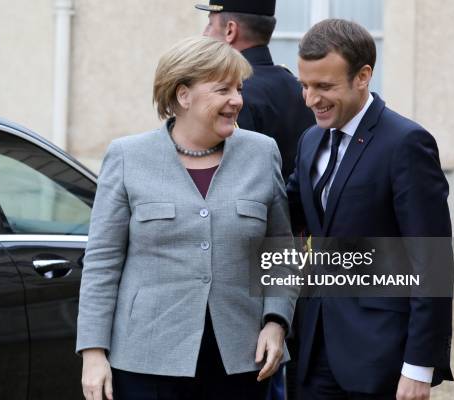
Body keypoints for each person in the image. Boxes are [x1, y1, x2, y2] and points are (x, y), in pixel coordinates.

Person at [76, 36, 296, 400]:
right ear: (183, 95)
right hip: (145, 360)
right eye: (223, 89)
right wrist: (93, 353)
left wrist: (276, 321)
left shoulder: (262, 152)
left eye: (239, 88)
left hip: (241, 360)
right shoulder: (128, 156)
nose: (237, 100)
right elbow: (102, 263)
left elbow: (281, 254)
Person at [286, 19, 453, 400]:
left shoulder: (406, 143)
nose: (311, 99)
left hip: (381, 359)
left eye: (324, 86)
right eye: (305, 85)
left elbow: (433, 261)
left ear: (363, 76)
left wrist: (419, 367)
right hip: (312, 350)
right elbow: (285, 211)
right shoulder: (311, 139)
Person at [196, 0, 315, 183]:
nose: (205, 32)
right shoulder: (295, 84)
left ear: (230, 30)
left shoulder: (229, 96)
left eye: (211, 23)